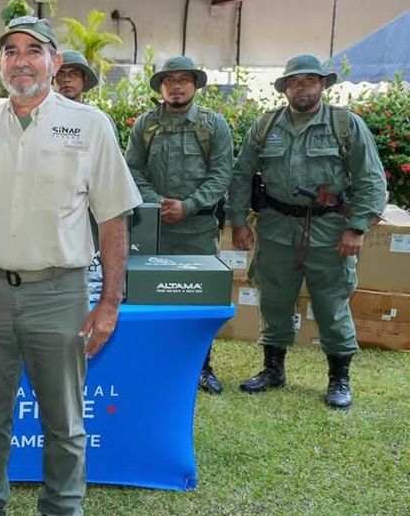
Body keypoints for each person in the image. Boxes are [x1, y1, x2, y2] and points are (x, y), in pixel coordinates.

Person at [0, 16, 141, 516]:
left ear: (54, 62)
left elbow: (113, 219)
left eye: (33, 50)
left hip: (60, 294)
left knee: (64, 422)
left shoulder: (90, 126)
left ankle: (62, 509)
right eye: (10, 51)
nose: (21, 59)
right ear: (0, 63)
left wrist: (110, 302)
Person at [227, 55, 386, 410]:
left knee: (331, 303)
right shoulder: (265, 126)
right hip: (275, 227)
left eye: (309, 81)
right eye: (294, 82)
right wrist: (238, 221)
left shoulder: (345, 125)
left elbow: (371, 179)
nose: (302, 88)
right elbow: (241, 175)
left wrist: (357, 228)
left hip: (330, 231)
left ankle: (339, 378)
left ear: (322, 85)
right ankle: (273, 369)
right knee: (274, 298)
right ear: (285, 88)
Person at [125, 55, 234, 394]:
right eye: (169, 80)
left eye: (183, 79)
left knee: (199, 299)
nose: (176, 86)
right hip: (152, 227)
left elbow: (222, 174)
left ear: (195, 85)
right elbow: (132, 168)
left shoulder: (213, 125)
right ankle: (150, 363)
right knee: (145, 295)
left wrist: (188, 206)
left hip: (197, 229)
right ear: (161, 86)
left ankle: (202, 366)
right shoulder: (146, 125)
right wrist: (157, 203)